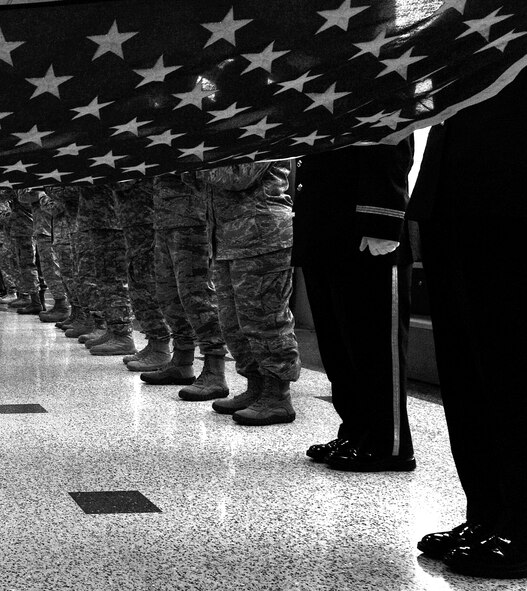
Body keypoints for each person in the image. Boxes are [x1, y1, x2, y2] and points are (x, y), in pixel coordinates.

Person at [408, 68, 527, 578]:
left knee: (510, 370)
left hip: (512, 197)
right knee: (465, 373)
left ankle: (520, 527)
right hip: (454, 195)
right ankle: (485, 513)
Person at [292, 139, 415, 470]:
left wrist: (384, 218)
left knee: (373, 345)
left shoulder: (374, 83)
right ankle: (357, 431)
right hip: (326, 224)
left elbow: (392, 135)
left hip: (365, 227)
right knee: (340, 347)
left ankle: (390, 444)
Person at [184, 161, 301, 426]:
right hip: (227, 237)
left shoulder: (259, 126)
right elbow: (202, 188)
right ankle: (256, 386)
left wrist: (196, 163)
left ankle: (278, 395)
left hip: (262, 234)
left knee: (265, 318)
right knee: (233, 323)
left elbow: (239, 176)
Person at [140, 173, 228, 399]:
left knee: (197, 295)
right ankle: (182, 360)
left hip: (192, 216)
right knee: (168, 295)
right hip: (164, 218)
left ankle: (215, 370)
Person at [112, 179, 172, 372]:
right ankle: (154, 343)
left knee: (146, 283)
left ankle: (161, 347)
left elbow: (124, 181)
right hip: (136, 220)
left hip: (145, 219)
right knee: (138, 281)